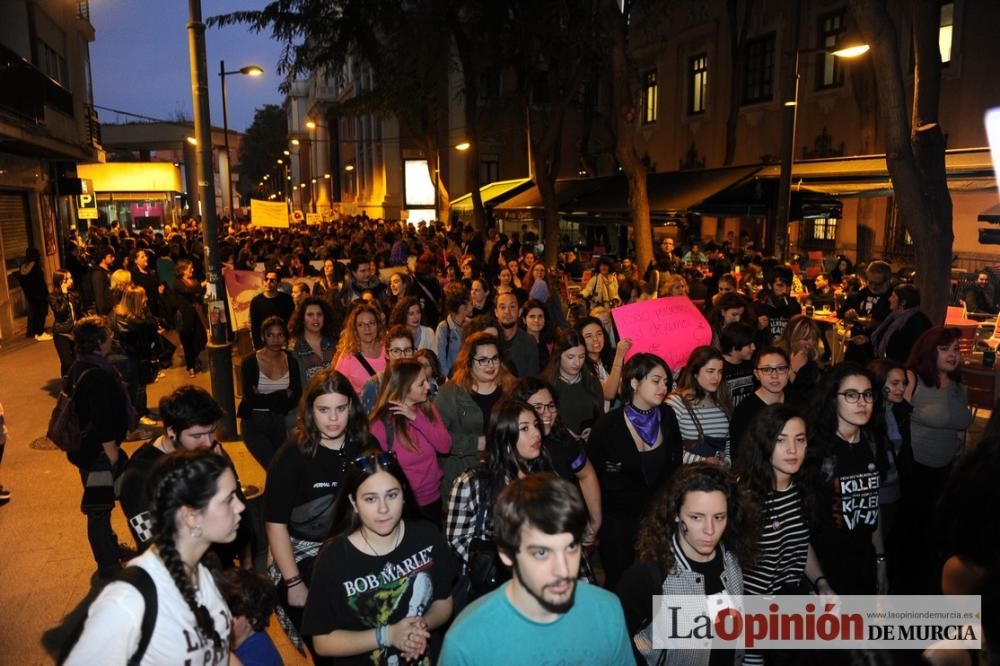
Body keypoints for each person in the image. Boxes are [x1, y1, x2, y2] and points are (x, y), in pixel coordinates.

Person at [65, 449, 242, 665]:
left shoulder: (201, 569)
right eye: (229, 499)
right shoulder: (127, 601)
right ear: (191, 516)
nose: (240, 506)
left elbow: (217, 653)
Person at [440, 474, 633, 665]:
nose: (563, 570)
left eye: (571, 547)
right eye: (541, 553)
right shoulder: (467, 641)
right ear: (507, 554)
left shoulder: (607, 611)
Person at [302, 450, 455, 664]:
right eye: (370, 499)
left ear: (403, 494)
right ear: (353, 503)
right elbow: (323, 641)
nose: (383, 509)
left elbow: (444, 601)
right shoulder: (333, 558)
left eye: (391, 495)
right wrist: (387, 635)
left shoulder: (427, 535)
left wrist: (419, 627)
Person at [264, 369, 377, 651]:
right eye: (324, 410)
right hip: (301, 554)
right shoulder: (291, 456)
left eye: (340, 408)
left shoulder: (366, 446)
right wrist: (293, 582)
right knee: (329, 649)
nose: (334, 418)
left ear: (351, 406)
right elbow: (274, 525)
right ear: (310, 410)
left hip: (358, 547)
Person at [615, 463, 757, 666]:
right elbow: (618, 638)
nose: (710, 530)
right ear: (675, 513)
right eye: (696, 517)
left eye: (719, 517)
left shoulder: (732, 562)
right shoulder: (650, 574)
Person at [587, 353, 683, 590]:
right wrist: (595, 521)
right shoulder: (607, 426)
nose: (664, 386)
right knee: (621, 585)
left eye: (666, 381)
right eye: (656, 380)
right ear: (634, 383)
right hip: (618, 524)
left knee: (658, 584)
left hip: (659, 520)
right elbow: (591, 477)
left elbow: (676, 468)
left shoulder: (668, 417)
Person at [803, 363, 889, 595]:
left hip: (864, 565)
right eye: (851, 395)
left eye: (868, 394)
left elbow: (873, 506)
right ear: (833, 399)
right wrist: (816, 580)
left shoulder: (872, 441)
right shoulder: (816, 450)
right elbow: (801, 524)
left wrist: (880, 561)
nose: (862, 402)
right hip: (825, 569)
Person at [900, 327, 972, 593]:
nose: (953, 354)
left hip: (946, 471)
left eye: (956, 349)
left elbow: (960, 428)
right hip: (915, 470)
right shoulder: (912, 379)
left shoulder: (957, 387)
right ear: (929, 351)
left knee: (934, 534)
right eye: (945, 349)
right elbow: (897, 421)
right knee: (911, 534)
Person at [65, 315, 136, 578]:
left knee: (102, 504)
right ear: (98, 342)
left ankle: (111, 547)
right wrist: (111, 453)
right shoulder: (98, 375)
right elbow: (102, 420)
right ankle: (107, 564)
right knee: (98, 510)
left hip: (84, 450)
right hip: (98, 453)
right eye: (107, 335)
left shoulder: (80, 366)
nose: (112, 339)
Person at [736, 404, 832, 597]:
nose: (792, 449)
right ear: (764, 443)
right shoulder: (743, 494)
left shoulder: (802, 487)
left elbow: (799, 543)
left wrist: (821, 582)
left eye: (800, 440)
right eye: (781, 440)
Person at [118, 385, 226, 551]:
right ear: (171, 432)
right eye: (197, 435)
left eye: (212, 432)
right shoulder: (140, 477)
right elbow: (155, 546)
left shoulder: (208, 451)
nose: (208, 442)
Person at [514, 377, 603, 544]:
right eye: (538, 407)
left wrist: (595, 522)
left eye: (551, 405)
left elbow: (586, 474)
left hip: (564, 532)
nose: (547, 413)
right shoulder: (513, 445)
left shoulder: (562, 438)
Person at [370, 358, 452, 523]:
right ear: (404, 388)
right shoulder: (381, 424)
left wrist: (416, 419)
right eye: (421, 384)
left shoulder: (427, 409)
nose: (428, 387)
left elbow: (445, 446)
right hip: (404, 506)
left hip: (434, 499)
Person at [434, 332, 515, 497]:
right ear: (468, 362)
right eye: (483, 360)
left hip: (504, 474)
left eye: (494, 358)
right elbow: (436, 438)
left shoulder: (511, 388)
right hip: (461, 479)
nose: (490, 365)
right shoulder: (450, 393)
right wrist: (476, 442)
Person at [239, 316, 303, 470]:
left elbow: (296, 395)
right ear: (263, 337)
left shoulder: (290, 360)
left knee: (281, 466)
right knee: (272, 466)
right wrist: (282, 395)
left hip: (279, 420)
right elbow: (251, 400)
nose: (275, 340)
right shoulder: (250, 362)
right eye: (270, 335)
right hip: (254, 422)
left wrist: (267, 397)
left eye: (280, 335)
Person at [667, 345, 732, 465]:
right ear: (695, 373)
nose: (716, 377)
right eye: (710, 371)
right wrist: (702, 461)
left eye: (720, 372)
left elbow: (727, 443)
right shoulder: (677, 403)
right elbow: (668, 447)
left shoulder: (721, 402)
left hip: (718, 477)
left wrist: (727, 462)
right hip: (689, 477)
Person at [110, 285, 159, 425]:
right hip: (130, 357)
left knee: (140, 385)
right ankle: (138, 415)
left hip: (135, 356)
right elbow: (144, 333)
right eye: (143, 297)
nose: (147, 299)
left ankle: (142, 410)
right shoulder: (132, 321)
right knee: (137, 386)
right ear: (136, 300)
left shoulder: (128, 315)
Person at [215, 568, 283, 666]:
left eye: (231, 613)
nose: (221, 617)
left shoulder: (259, 657)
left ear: (253, 619)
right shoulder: (236, 640)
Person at [543, 329, 604, 437]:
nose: (577, 363)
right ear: (558, 355)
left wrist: (594, 430)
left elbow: (601, 418)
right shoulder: (546, 385)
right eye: (570, 357)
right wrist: (561, 432)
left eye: (581, 357)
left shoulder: (592, 382)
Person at [730, 347, 791, 454]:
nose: (774, 375)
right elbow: (738, 453)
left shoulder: (798, 402)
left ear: (789, 371)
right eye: (767, 370)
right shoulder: (745, 410)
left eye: (780, 368)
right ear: (757, 374)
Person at [576, 316, 630, 411]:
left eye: (599, 334)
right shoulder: (579, 366)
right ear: (580, 340)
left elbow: (622, 391)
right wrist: (619, 356)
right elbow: (608, 393)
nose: (595, 339)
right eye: (589, 336)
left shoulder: (604, 361)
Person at [870, 283, 933, 364]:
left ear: (903, 302)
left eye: (893, 296)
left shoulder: (917, 322)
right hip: (887, 365)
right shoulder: (893, 317)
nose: (889, 299)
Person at [333, 302, 386, 395]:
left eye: (371, 323)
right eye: (361, 325)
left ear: (378, 325)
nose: (367, 328)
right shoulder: (347, 357)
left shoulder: (388, 349)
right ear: (355, 329)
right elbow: (336, 388)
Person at [288, 296, 337, 384]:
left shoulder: (334, 344)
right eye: (310, 315)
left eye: (319, 314)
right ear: (302, 319)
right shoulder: (294, 347)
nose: (315, 318)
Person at [775, 314, 823, 403]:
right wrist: (793, 369)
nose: (811, 344)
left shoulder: (811, 361)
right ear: (791, 338)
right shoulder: (776, 357)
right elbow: (776, 394)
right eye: (805, 339)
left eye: (814, 339)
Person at [173, 258, 207, 377]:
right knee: (187, 342)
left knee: (199, 339)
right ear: (183, 270)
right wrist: (201, 285)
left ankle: (195, 357)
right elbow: (188, 291)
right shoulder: (177, 282)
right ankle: (190, 366)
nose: (192, 270)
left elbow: (198, 293)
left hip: (197, 314)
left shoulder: (193, 280)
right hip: (186, 316)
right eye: (189, 268)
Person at [494, 291, 537, 377]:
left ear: (520, 312)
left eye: (512, 306)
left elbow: (532, 379)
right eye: (502, 307)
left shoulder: (529, 342)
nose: (507, 311)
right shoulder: (489, 339)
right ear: (496, 312)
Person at [250, 270, 295, 350]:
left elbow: (291, 322)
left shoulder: (287, 299)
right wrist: (258, 346)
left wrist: (288, 341)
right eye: (266, 279)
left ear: (278, 283)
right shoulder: (256, 301)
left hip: (283, 341)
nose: (268, 283)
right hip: (264, 341)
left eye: (272, 280)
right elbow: (254, 326)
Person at [756, 265, 802, 342]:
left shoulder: (794, 307)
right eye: (779, 285)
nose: (784, 291)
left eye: (788, 286)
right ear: (770, 285)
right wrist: (758, 327)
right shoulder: (760, 306)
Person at [436, 282, 472, 377]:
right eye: (469, 301)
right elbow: (441, 361)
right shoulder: (443, 328)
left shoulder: (472, 325)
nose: (472, 303)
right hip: (452, 379)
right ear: (461, 307)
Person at [718, 322, 757, 408]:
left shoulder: (751, 363)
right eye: (749, 344)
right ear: (735, 345)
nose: (754, 347)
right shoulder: (718, 367)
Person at [49, 269, 80, 376]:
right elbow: (60, 312)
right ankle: (67, 387)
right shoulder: (53, 297)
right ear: (60, 282)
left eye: (71, 277)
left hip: (75, 331)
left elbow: (78, 312)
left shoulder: (73, 295)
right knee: (67, 362)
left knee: (77, 361)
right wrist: (64, 296)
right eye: (67, 279)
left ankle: (73, 386)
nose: (71, 280)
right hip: (62, 332)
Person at [17, 247, 50, 340]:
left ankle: (35, 331)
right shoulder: (35, 267)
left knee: (34, 312)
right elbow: (41, 282)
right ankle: (40, 332)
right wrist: (46, 293)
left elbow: (21, 281)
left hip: (30, 295)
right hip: (39, 294)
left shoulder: (22, 267)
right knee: (42, 312)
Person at [521, 298, 553, 371]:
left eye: (540, 316)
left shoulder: (550, 342)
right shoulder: (519, 343)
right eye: (532, 316)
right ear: (524, 320)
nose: (536, 320)